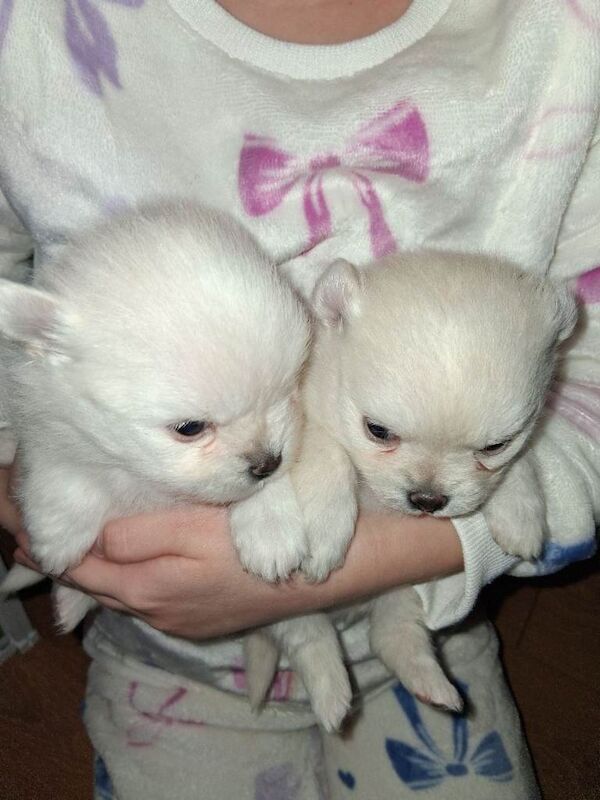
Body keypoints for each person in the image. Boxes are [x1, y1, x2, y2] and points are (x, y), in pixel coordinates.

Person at [1, 1, 599, 797]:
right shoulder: (30, 38)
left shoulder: (565, 35)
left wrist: (434, 548)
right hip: (158, 638)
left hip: (433, 605)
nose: (262, 455)